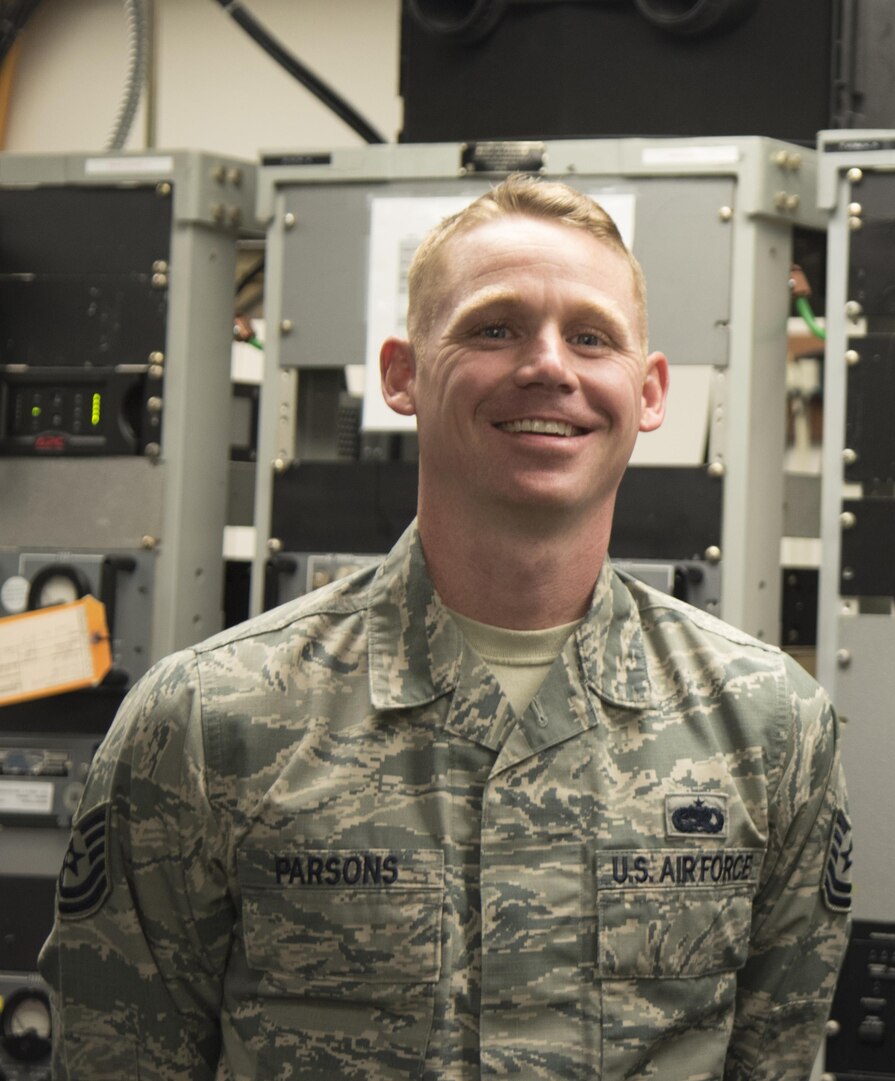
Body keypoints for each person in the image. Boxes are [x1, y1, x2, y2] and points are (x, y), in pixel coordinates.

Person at [42, 176, 854, 1080]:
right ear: (401, 374)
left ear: (650, 390)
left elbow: (772, 1055)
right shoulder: (206, 723)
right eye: (494, 327)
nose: (550, 365)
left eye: (591, 336)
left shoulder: (771, 725)